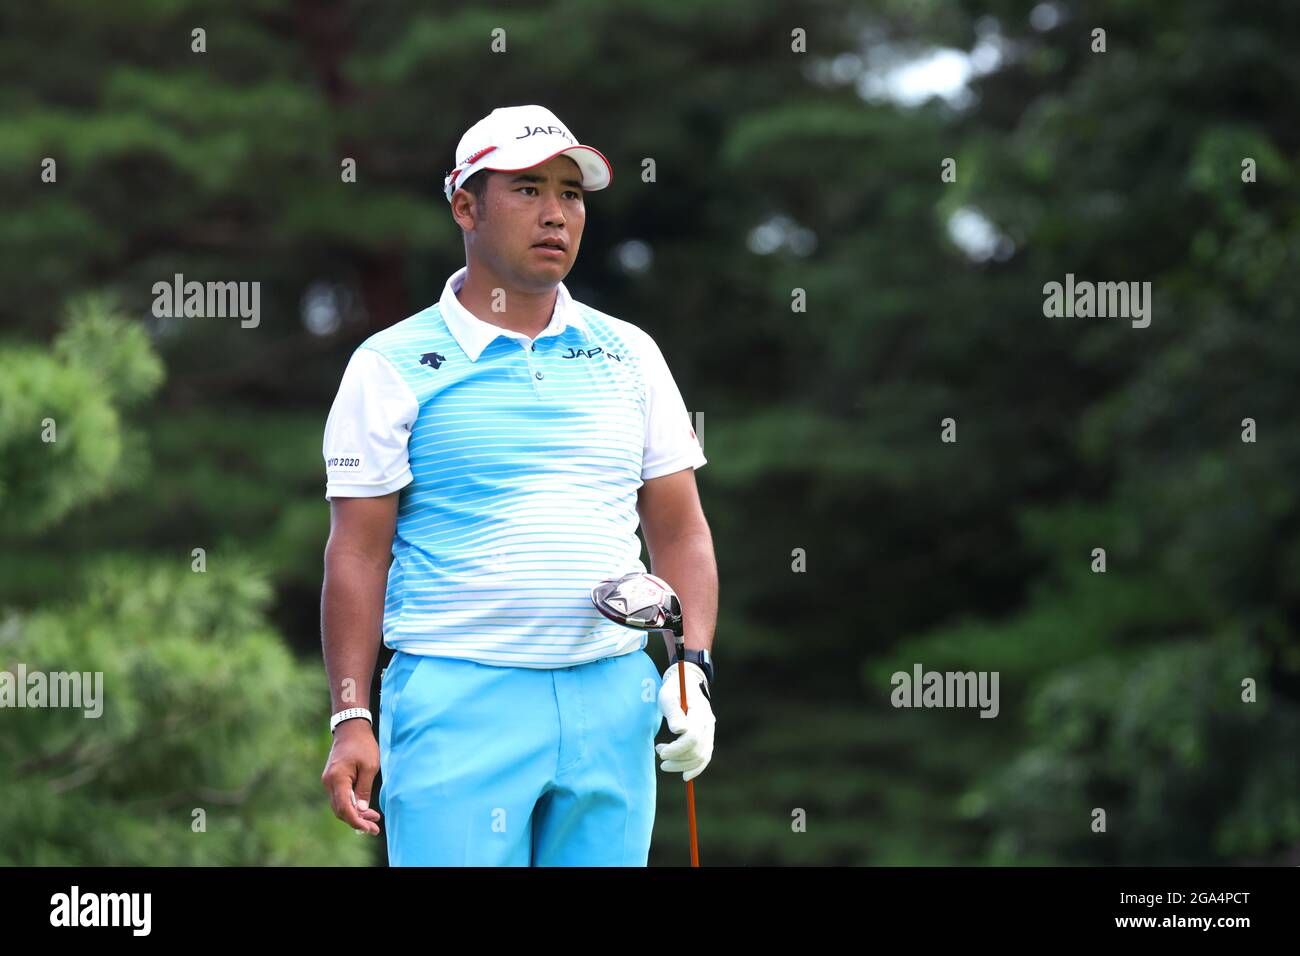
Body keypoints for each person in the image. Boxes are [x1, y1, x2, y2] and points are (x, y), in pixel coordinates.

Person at [318, 105, 718, 865]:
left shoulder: (629, 353)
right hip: (455, 694)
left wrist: (692, 669)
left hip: (612, 691)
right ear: (465, 206)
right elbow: (358, 553)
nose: (556, 214)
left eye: (571, 194)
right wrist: (351, 715)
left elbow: (679, 528)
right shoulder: (390, 362)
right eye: (528, 189)